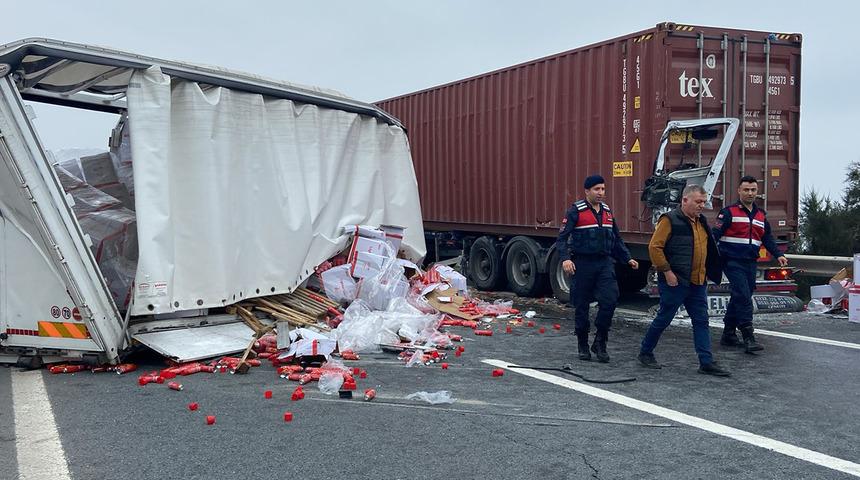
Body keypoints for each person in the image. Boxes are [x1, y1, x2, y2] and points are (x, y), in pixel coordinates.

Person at [637, 184, 730, 376]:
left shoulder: (701, 222)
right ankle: (645, 352)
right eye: (698, 202)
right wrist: (667, 272)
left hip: (697, 282)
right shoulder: (669, 220)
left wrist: (711, 271)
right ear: (685, 200)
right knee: (664, 318)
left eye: (703, 202)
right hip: (676, 281)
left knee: (701, 321)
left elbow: (708, 249)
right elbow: (655, 247)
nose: (701, 205)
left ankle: (706, 362)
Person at [556, 174, 639, 363]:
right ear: (587, 191)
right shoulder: (575, 211)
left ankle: (600, 342)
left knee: (610, 301)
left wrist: (627, 258)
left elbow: (616, 239)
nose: (601, 193)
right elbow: (561, 239)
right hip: (583, 264)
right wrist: (566, 259)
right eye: (597, 189)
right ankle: (583, 344)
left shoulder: (607, 212)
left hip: (604, 264)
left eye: (603, 189)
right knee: (581, 306)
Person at [713, 175, 788, 353]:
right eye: (746, 190)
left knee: (740, 296)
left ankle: (728, 334)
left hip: (750, 262)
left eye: (753, 190)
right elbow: (714, 235)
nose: (750, 193)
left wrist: (778, 254)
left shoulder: (760, 215)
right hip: (731, 260)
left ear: (757, 192)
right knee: (743, 296)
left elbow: (767, 238)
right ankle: (748, 337)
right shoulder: (728, 212)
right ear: (739, 191)